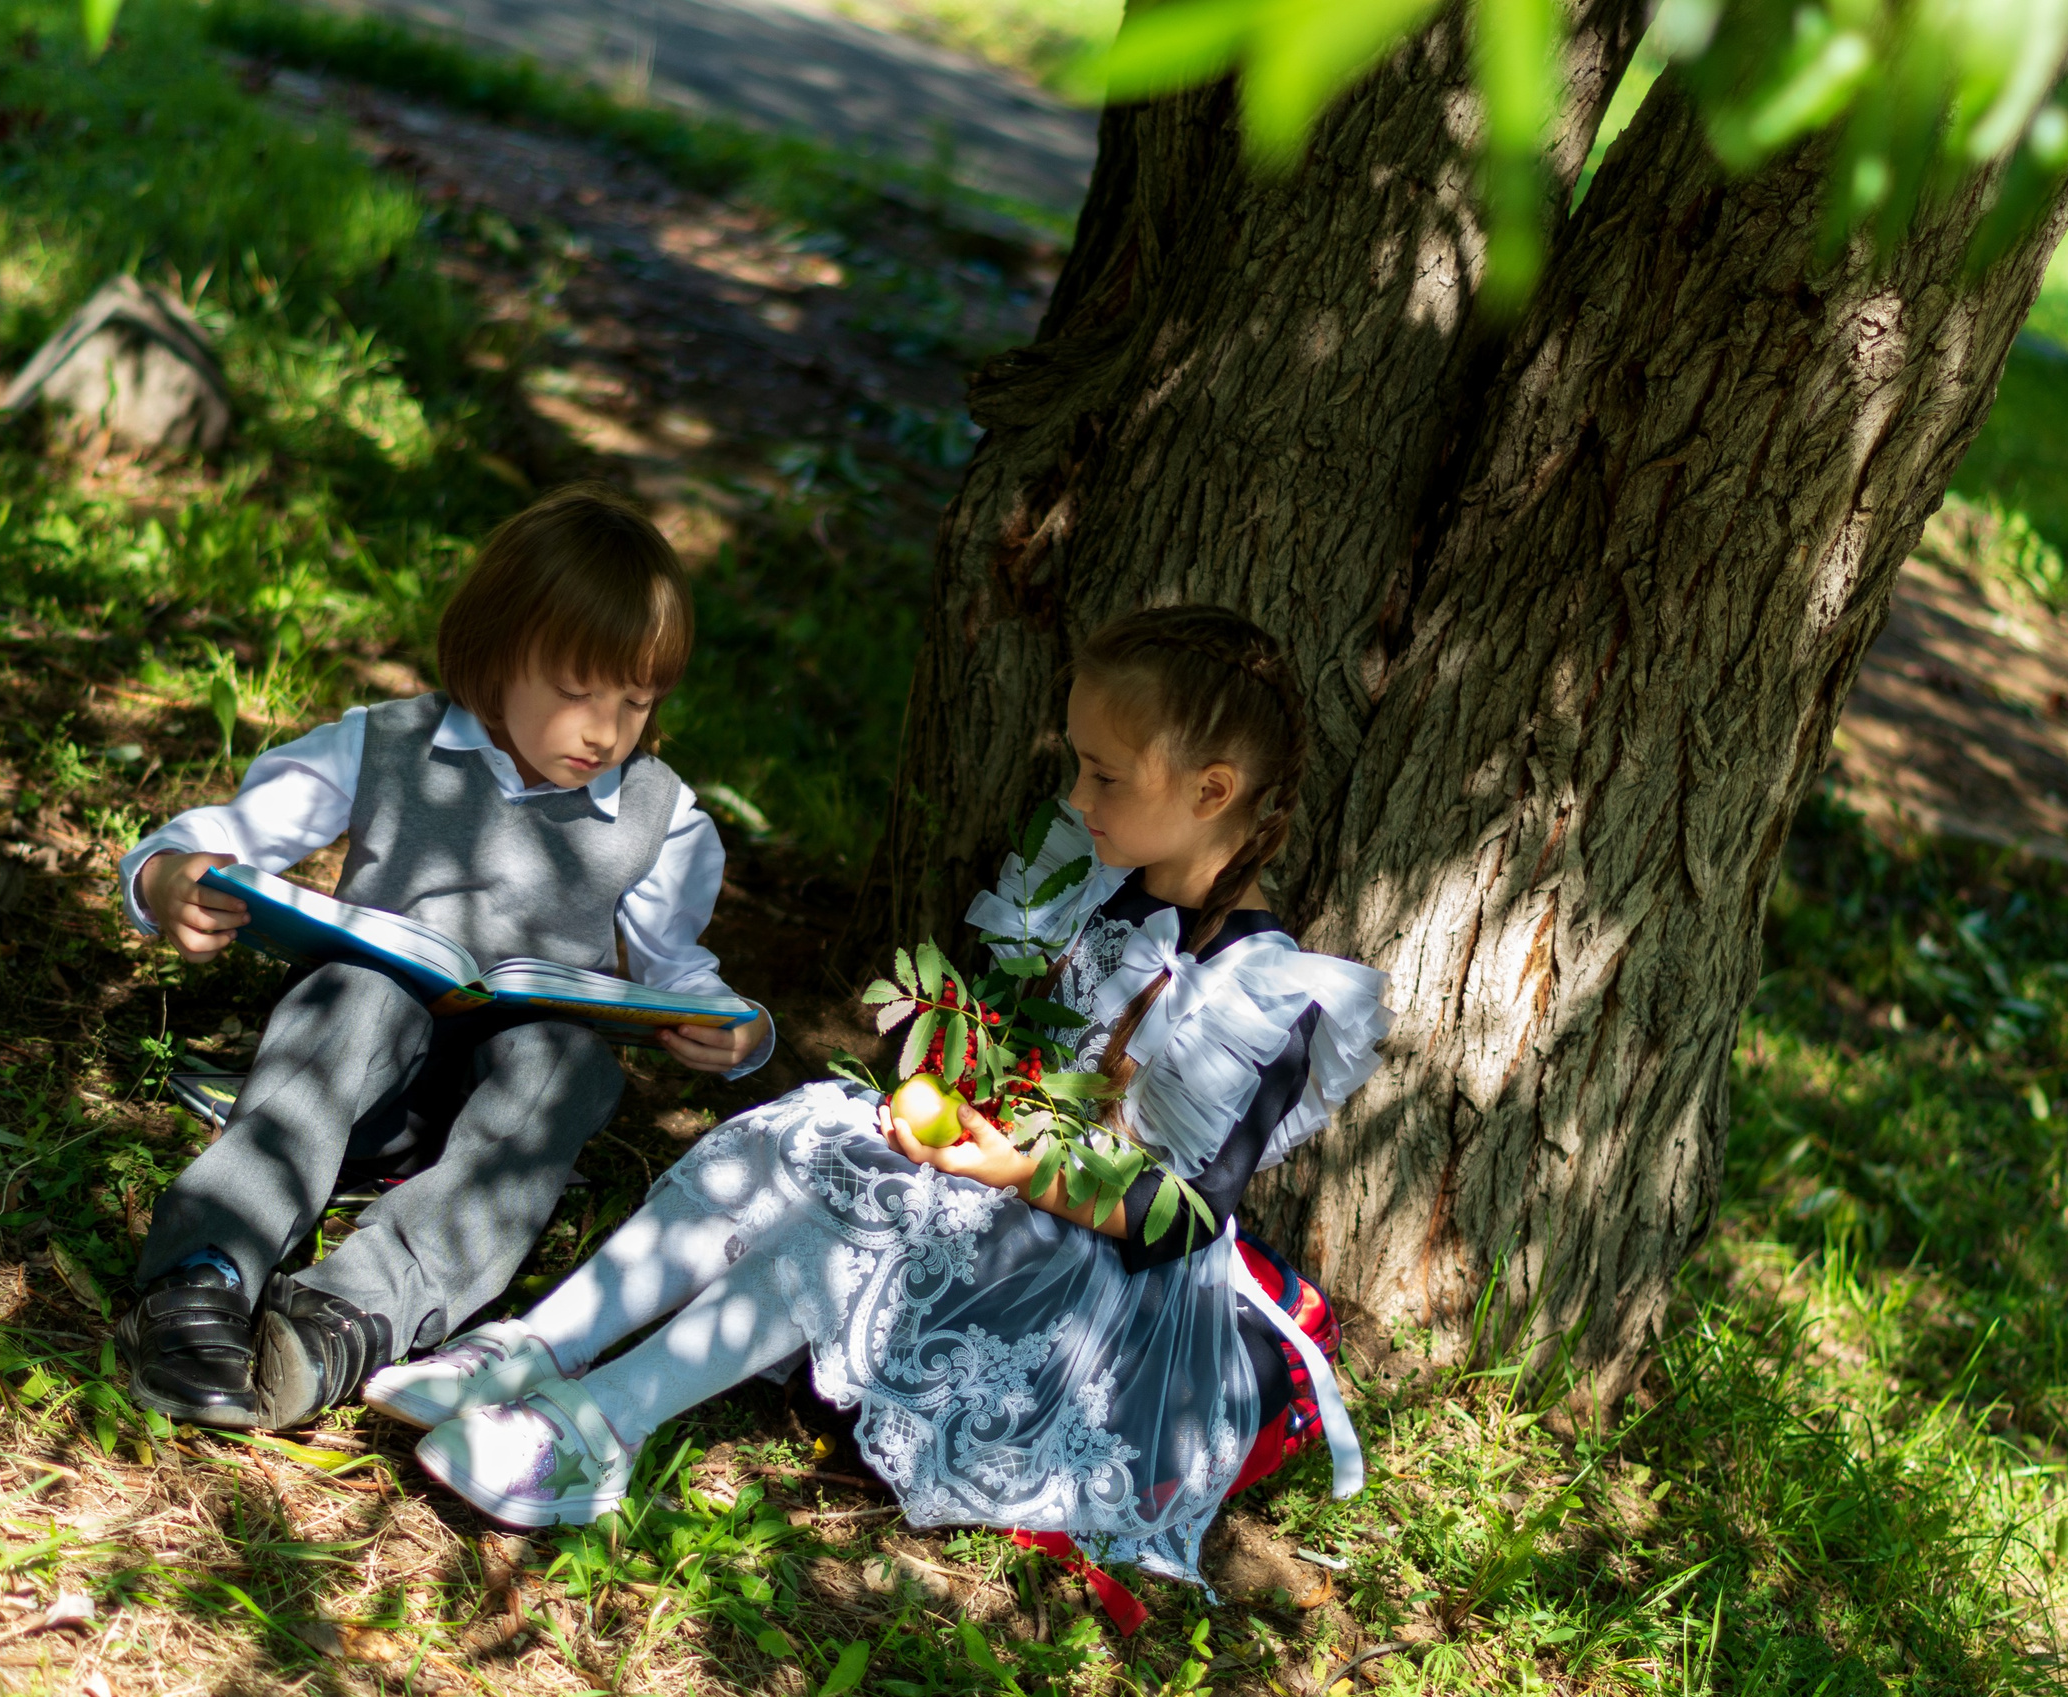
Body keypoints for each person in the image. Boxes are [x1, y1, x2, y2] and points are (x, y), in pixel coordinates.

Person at [370, 604, 1388, 1591]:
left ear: (1211, 791)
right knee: (798, 1132)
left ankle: (596, 1431)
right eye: (1078, 763)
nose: (1076, 795)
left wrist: (1010, 1163)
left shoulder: (1263, 996)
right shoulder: (1090, 873)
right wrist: (943, 1087)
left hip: (1096, 1274)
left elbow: (1181, 1216)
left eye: (1103, 774)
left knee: (878, 1215)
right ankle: (540, 1344)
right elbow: (997, 1032)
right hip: (1003, 1178)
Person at [113, 483, 774, 1433]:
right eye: (578, 691)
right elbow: (233, 831)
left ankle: (353, 1313)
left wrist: (730, 1027)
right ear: (496, 657)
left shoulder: (660, 816)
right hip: (362, 1077)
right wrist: (169, 874)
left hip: (504, 1104)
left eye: (636, 701)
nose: (605, 730)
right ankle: (199, 1275)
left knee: (573, 1061)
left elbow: (678, 964)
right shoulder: (387, 743)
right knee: (358, 994)